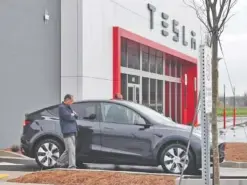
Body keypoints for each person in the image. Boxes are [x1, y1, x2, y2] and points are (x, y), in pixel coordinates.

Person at [56, 94, 78, 169]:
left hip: (72, 130)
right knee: (71, 149)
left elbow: (75, 115)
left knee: (68, 150)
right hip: (67, 131)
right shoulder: (62, 107)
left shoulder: (68, 107)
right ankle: (72, 166)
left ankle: (59, 162)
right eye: (71, 100)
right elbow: (68, 117)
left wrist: (72, 115)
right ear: (67, 100)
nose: (72, 102)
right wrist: (72, 115)